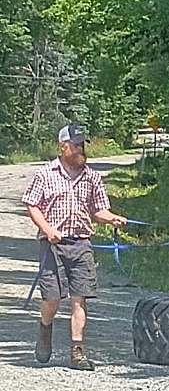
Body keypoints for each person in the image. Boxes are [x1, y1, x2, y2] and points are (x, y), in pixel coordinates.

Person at [22, 124, 127, 371]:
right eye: (76, 145)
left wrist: (111, 218)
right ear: (63, 147)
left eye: (82, 145)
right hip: (52, 245)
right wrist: (48, 230)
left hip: (81, 243)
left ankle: (77, 351)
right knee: (52, 299)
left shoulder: (91, 176)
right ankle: (45, 328)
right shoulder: (46, 174)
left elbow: (97, 209)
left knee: (79, 299)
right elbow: (31, 204)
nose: (81, 150)